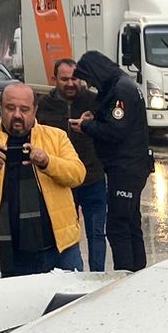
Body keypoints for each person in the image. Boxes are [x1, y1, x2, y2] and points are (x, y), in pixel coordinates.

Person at [0, 82, 85, 276]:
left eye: (24, 109)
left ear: (35, 110)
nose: (17, 114)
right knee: (23, 306)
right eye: (10, 108)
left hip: (61, 248)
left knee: (71, 305)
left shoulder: (56, 137)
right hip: (13, 252)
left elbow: (78, 174)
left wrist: (47, 162)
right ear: (1, 108)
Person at [73, 50, 152, 272]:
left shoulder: (121, 90)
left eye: (89, 79)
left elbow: (117, 130)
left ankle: (125, 274)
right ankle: (138, 271)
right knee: (130, 222)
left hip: (125, 168)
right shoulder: (124, 86)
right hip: (130, 166)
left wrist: (87, 127)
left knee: (118, 226)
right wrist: (95, 118)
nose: (90, 85)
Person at [37, 57, 107, 271]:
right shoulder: (43, 105)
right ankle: (69, 276)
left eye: (75, 78)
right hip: (60, 181)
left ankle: (97, 278)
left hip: (92, 177)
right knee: (64, 233)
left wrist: (93, 125)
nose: (70, 83)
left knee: (96, 233)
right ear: (54, 79)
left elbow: (111, 134)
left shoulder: (96, 102)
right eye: (65, 78)